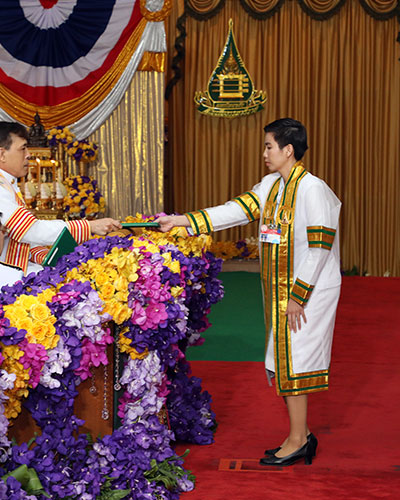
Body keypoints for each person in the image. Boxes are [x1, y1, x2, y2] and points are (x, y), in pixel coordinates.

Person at [157, 118, 341, 467]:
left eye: (269, 146)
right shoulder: (272, 185)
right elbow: (235, 211)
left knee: (295, 360)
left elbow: (320, 248)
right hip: (282, 290)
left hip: (309, 291)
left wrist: (298, 295)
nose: (265, 153)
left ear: (289, 150)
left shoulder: (312, 189)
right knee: (283, 358)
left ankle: (299, 440)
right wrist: (182, 221)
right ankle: (300, 435)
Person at [0, 121, 121, 275]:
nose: (29, 154)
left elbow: (20, 237)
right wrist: (89, 226)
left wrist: (45, 256)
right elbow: (31, 230)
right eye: (23, 148)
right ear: (2, 154)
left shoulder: (1, 183)